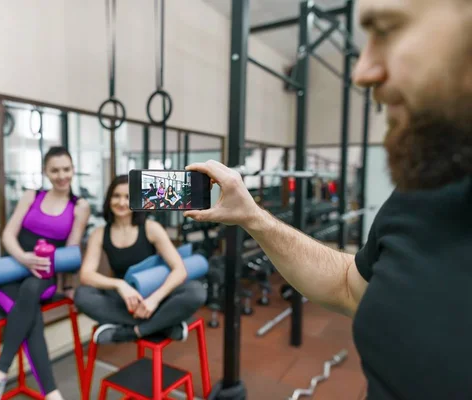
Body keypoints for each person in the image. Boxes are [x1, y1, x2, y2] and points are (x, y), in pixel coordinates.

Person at [184, 1, 472, 398]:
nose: (362, 71)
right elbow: (346, 287)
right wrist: (253, 217)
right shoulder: (423, 195)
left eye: (386, 30)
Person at [0, 147, 90, 400]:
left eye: (66, 169)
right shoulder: (31, 196)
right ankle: (51, 393)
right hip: (10, 272)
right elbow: (8, 234)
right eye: (55, 170)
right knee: (31, 317)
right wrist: (23, 258)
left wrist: (69, 284)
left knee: (30, 292)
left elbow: (70, 253)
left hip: (43, 280)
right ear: (45, 172)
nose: (62, 175)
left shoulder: (80, 207)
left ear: (73, 169)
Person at [74, 175, 206, 344]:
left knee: (196, 291)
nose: (121, 202)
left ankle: (132, 332)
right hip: (126, 300)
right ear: (109, 199)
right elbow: (86, 275)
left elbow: (179, 270)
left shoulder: (151, 228)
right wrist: (119, 285)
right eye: (116, 196)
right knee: (82, 295)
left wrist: (154, 299)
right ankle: (163, 326)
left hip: (156, 298)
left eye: (128, 197)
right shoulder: (99, 234)